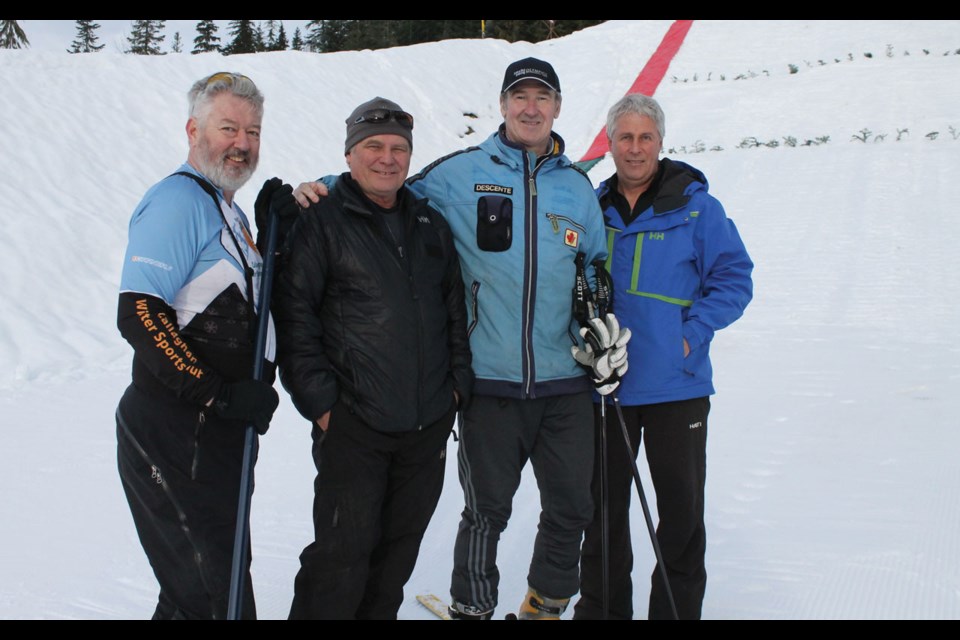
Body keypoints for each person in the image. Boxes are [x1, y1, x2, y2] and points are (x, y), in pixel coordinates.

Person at [293, 58, 619, 620]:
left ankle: (545, 605)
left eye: (543, 97)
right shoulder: (459, 173)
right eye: (520, 96)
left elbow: (593, 269)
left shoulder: (576, 188)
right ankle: (473, 607)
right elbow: (383, 184)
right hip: (490, 377)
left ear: (558, 108)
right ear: (502, 105)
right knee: (486, 511)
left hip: (564, 380)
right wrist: (317, 189)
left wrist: (600, 331)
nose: (531, 107)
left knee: (573, 506)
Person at [273, 97, 474, 620]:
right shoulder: (321, 221)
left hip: (425, 425)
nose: (387, 158)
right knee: (339, 561)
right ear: (349, 154)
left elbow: (454, 310)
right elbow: (295, 318)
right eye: (373, 146)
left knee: (394, 562)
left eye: (398, 149)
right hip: (354, 426)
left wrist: (455, 389)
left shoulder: (429, 222)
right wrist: (323, 406)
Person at [115, 71, 296, 619]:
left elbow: (229, 301)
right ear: (194, 130)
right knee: (215, 595)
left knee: (202, 589)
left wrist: (271, 237)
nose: (242, 143)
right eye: (229, 128)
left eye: (253, 131)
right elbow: (141, 313)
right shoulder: (177, 199)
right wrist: (217, 395)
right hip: (174, 430)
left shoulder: (226, 209)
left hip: (217, 436)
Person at [572, 94, 754, 620]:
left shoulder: (697, 207)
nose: (634, 148)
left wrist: (690, 334)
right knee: (602, 516)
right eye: (624, 137)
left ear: (660, 142)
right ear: (610, 143)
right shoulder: (592, 205)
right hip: (608, 386)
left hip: (678, 387)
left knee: (679, 517)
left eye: (644, 137)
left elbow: (734, 278)